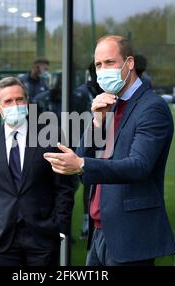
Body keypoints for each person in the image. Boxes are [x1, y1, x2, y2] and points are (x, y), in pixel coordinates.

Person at [44, 35, 175, 266]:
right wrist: (96, 122)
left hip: (130, 235)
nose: (102, 70)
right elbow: (82, 153)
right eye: (98, 65)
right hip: (99, 232)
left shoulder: (152, 108)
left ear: (130, 63)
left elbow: (139, 166)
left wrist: (82, 165)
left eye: (110, 62)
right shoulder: (109, 103)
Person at [0, 77, 75, 266]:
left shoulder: (50, 136)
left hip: (43, 235)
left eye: (19, 100)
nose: (15, 105)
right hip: (2, 237)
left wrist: (60, 227)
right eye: (8, 101)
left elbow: (64, 187)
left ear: (27, 103)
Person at [70, 62, 103, 240]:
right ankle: (74, 224)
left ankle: (88, 221)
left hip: (102, 144)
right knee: (73, 186)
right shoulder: (81, 93)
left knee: (92, 183)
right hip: (81, 145)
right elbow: (72, 120)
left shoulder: (106, 92)